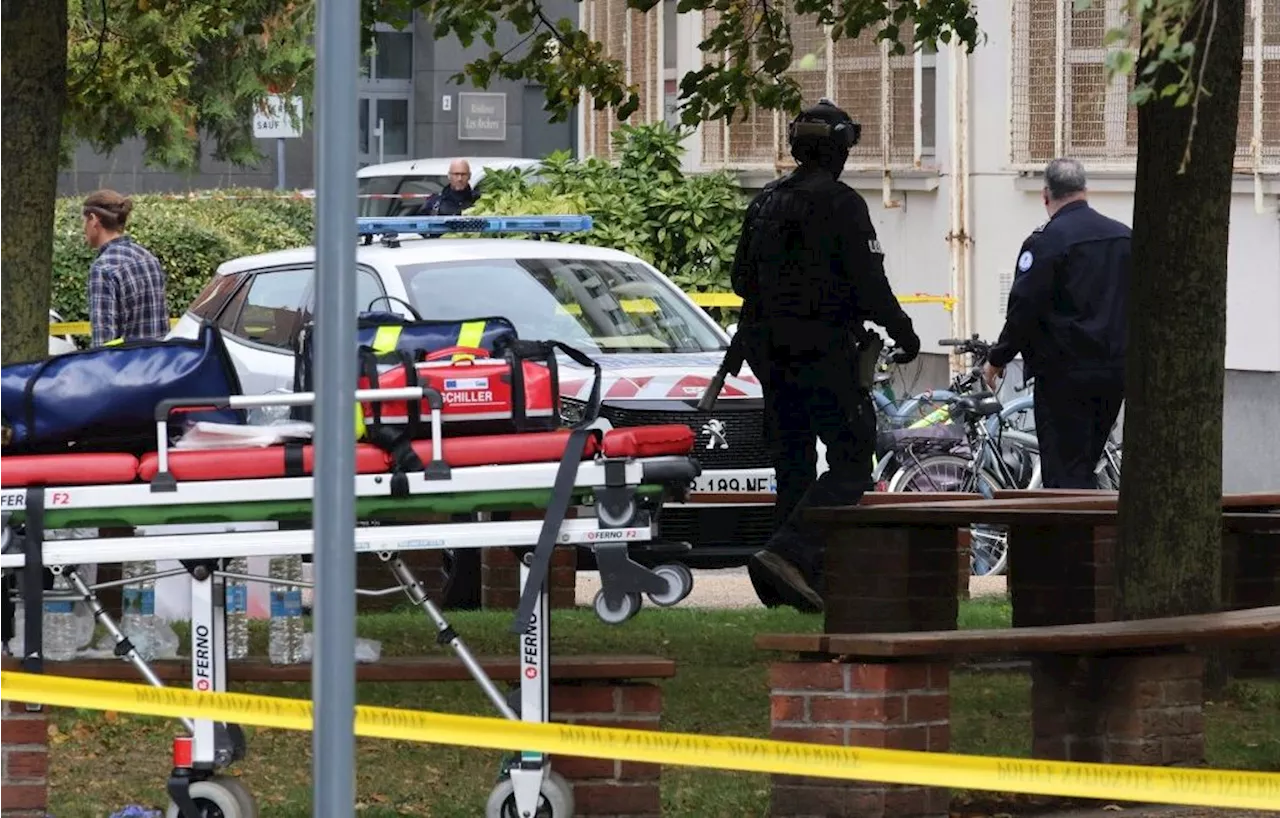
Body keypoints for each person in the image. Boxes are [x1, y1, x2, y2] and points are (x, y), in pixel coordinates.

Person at [731, 98, 921, 612]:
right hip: (825, 354)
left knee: (793, 464)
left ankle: (787, 582)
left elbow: (740, 280)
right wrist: (904, 332)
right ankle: (789, 554)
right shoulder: (841, 204)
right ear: (838, 150)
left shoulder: (766, 202)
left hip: (771, 356)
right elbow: (870, 283)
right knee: (853, 462)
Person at [983, 158, 1130, 489]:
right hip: (1113, 372)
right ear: (1085, 191)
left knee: (1064, 472)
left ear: (1045, 195)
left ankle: (1071, 539)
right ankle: (1087, 532)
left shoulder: (1046, 241)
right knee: (1086, 462)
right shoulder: (1123, 238)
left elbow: (1024, 308)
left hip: (1065, 376)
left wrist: (998, 358)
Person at [82, 190, 169, 347]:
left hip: (125, 368)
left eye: (84, 221)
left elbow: (104, 344)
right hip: (158, 365)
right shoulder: (148, 258)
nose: (83, 228)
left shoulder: (104, 268)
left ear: (93, 219)